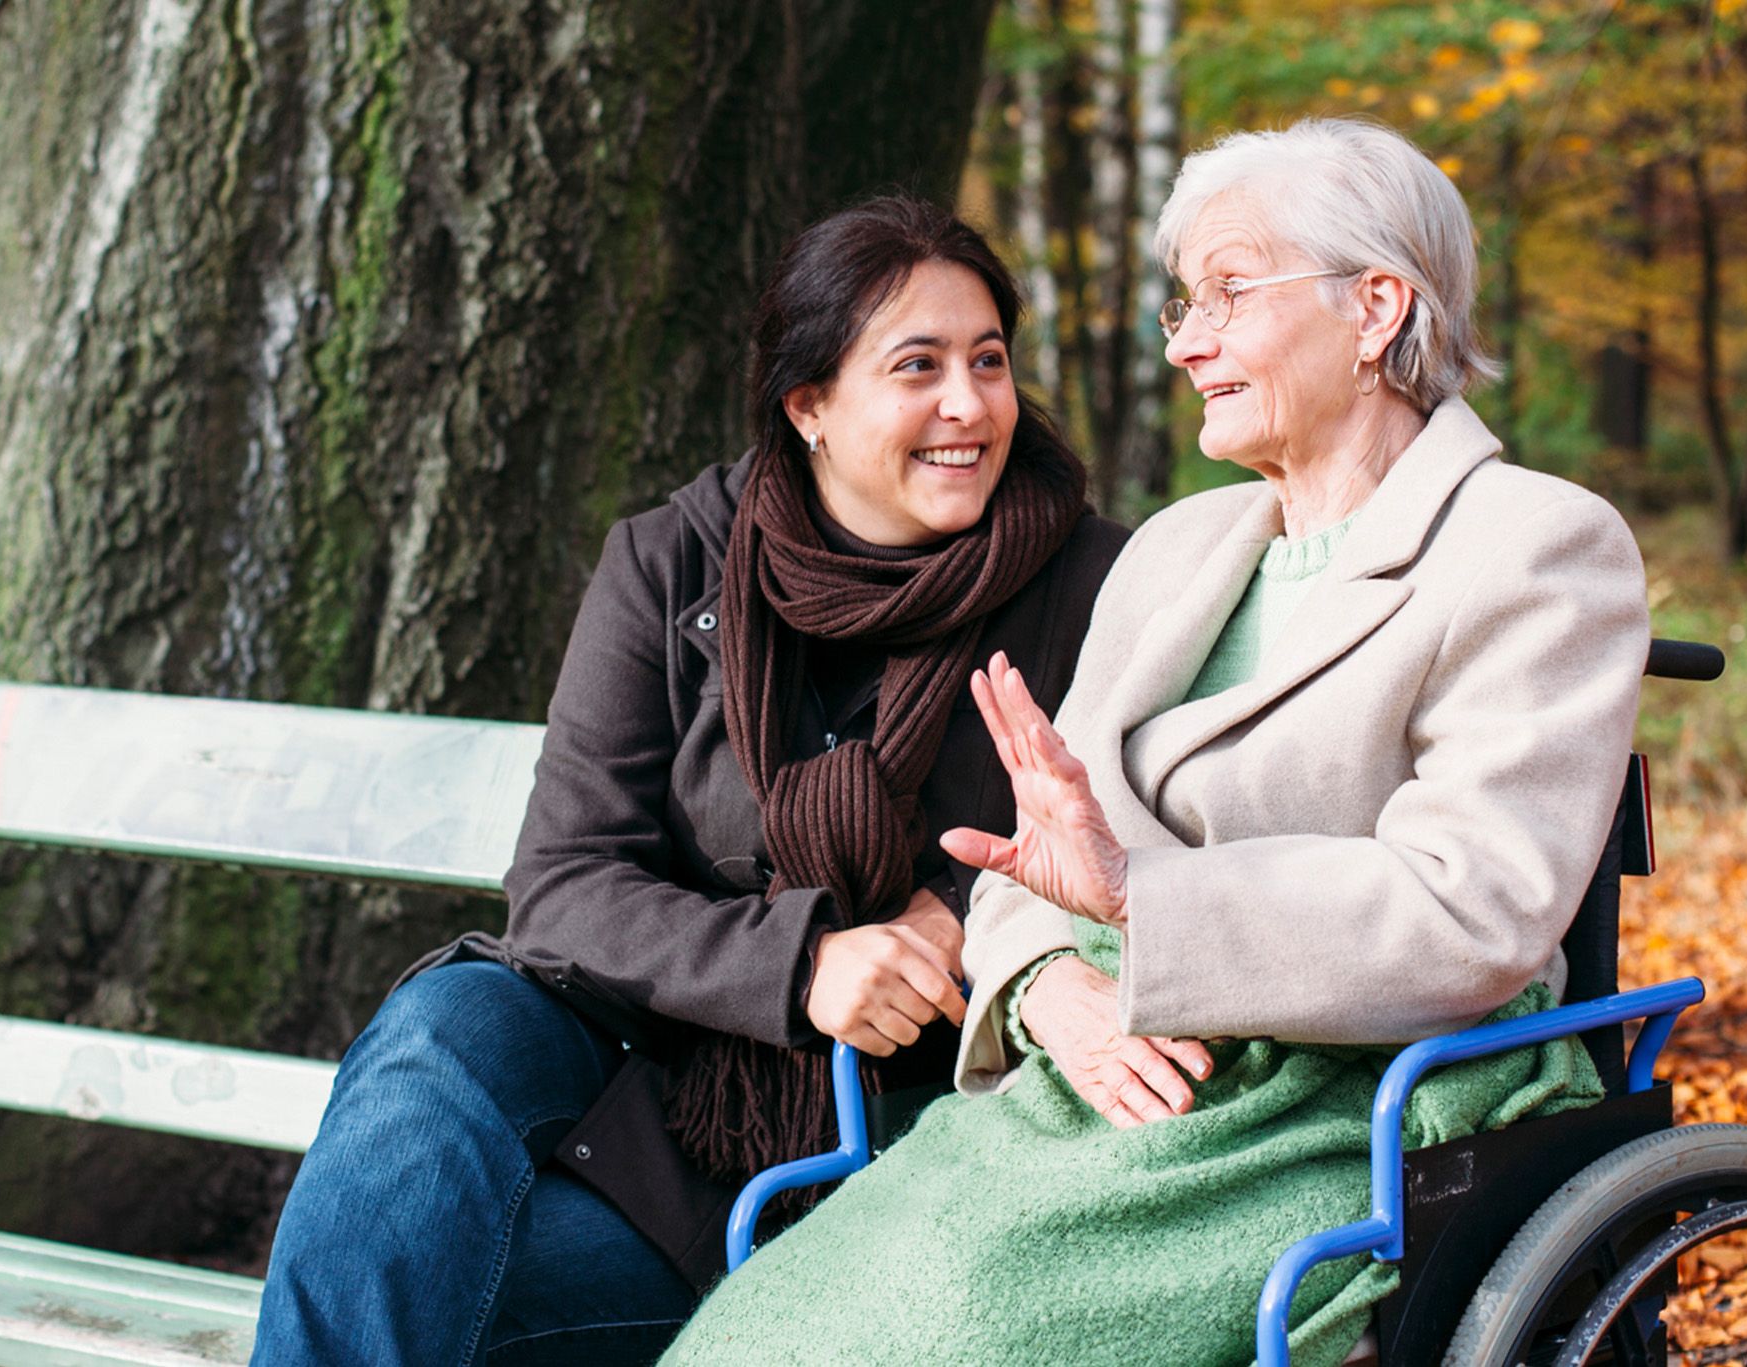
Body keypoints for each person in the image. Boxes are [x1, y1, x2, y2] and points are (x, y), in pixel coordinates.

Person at [659, 118, 1651, 1367]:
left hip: (1358, 1106)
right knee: (758, 1330)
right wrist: (1042, 986)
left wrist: (1142, 901)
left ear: (1375, 309)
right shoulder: (1181, 550)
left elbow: (1475, 912)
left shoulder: (1531, 545)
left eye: (1229, 294)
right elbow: (1032, 860)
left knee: (950, 1337)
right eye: (1184, 302)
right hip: (1095, 1086)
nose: (1186, 340)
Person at [248, 197, 1127, 1366]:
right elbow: (561, 886)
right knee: (448, 1021)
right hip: (666, 1119)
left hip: (917, 1145)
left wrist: (964, 919)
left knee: (428, 1305)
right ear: (806, 403)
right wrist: (802, 960)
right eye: (916, 367)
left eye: (988, 361)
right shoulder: (673, 558)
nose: (967, 405)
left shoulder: (1094, 583)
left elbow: (1131, 847)